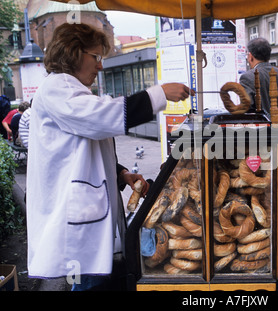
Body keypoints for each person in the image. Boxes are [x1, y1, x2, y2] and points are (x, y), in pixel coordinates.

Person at [26, 23, 194, 291]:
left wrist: (121, 174)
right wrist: (160, 94)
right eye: (96, 57)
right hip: (74, 221)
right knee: (87, 285)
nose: (100, 67)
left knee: (95, 280)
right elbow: (102, 117)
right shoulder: (57, 89)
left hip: (88, 215)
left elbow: (84, 147)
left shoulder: (72, 90)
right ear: (73, 52)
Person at [239, 37, 278, 248]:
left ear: (250, 56)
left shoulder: (248, 76)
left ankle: (263, 229)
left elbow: (245, 110)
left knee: (260, 186)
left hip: (261, 142)